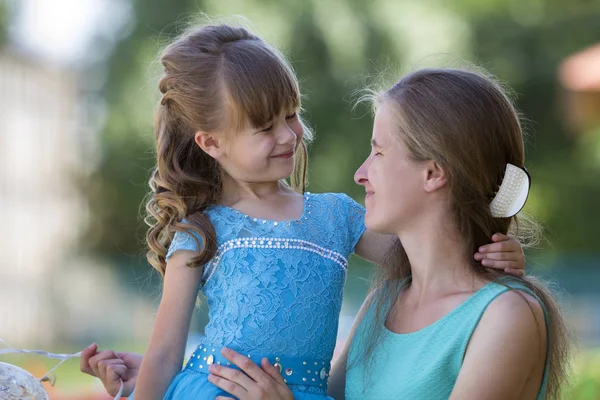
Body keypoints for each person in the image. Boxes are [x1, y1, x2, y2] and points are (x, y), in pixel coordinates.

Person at [80, 24, 527, 399]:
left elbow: (429, 257)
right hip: (216, 389)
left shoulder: (335, 216)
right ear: (211, 143)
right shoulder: (202, 231)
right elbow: (163, 353)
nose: (288, 135)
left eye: (291, 115)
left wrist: (494, 256)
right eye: (263, 127)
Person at [199, 68, 571, 400]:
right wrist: (194, 376)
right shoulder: (386, 299)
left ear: (433, 174)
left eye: (378, 152)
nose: (361, 174)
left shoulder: (506, 315)